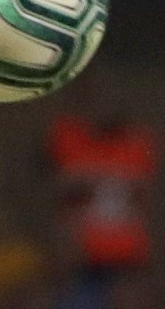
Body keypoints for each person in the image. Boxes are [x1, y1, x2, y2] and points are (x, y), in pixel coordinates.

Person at [47, 75, 159, 282]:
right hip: (80, 255)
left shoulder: (138, 143)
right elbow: (60, 199)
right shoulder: (67, 137)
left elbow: (143, 200)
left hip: (128, 254)